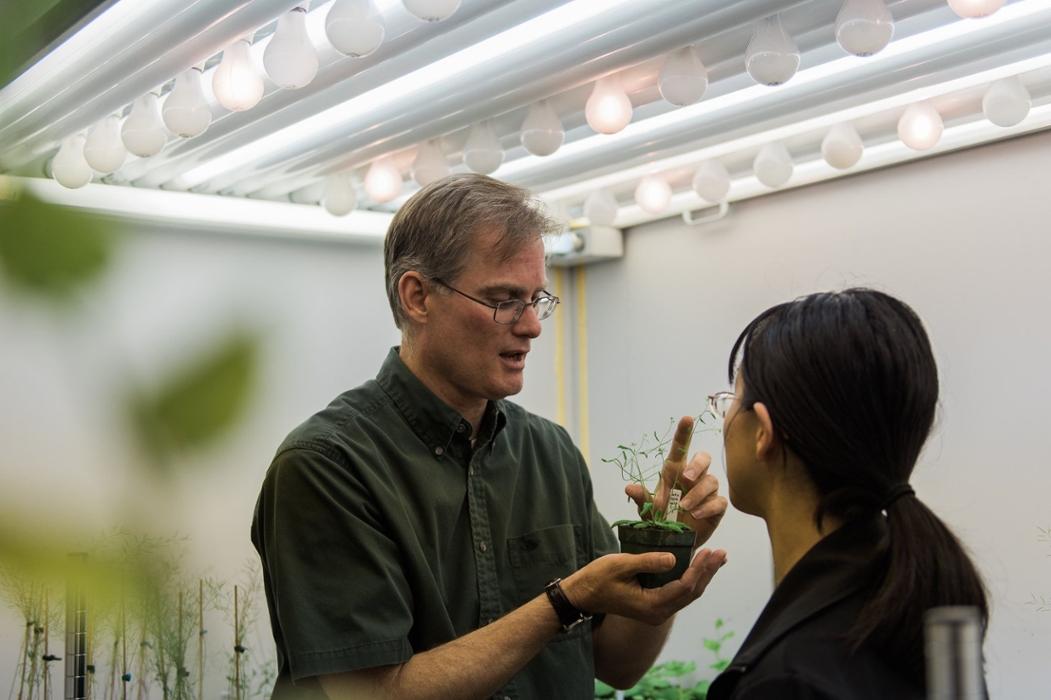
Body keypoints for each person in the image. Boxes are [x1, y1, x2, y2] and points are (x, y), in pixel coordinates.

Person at [251, 173, 729, 700]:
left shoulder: (550, 452)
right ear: (417, 297)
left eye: (537, 299)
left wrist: (661, 555)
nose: (532, 326)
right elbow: (374, 694)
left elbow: (617, 663)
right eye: (504, 299)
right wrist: (564, 601)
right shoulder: (328, 466)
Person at [705, 289, 989, 700]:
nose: (725, 416)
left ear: (763, 433)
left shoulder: (788, 680)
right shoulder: (914, 607)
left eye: (731, 400)